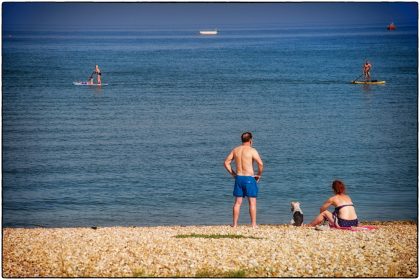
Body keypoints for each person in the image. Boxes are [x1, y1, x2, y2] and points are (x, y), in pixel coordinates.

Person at [224, 132, 264, 228]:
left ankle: (234, 224)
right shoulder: (252, 150)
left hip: (239, 178)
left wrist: (233, 174)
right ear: (251, 140)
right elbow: (261, 164)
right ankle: (253, 224)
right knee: (252, 202)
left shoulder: (236, 150)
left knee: (237, 202)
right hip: (249, 178)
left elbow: (226, 163)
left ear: (242, 140)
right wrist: (258, 175)